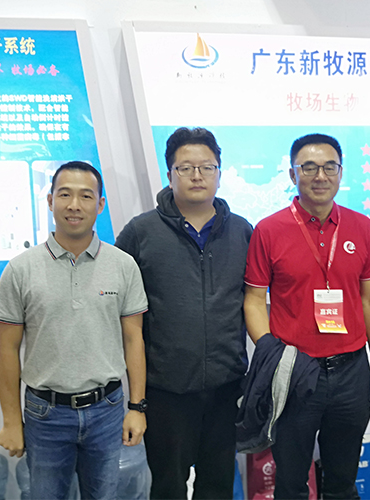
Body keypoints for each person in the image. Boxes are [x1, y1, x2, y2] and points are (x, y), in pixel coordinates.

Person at [0, 161, 148, 500]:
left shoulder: (123, 266)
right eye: (64, 195)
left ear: (100, 205)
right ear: (50, 201)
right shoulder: (21, 269)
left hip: (106, 409)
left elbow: (134, 339)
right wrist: (11, 420)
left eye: (85, 196)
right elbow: (5, 350)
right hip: (45, 414)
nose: (74, 205)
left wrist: (137, 407)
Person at [244, 133, 370, 499]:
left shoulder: (361, 227)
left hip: (351, 369)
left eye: (329, 167)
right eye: (308, 167)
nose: (320, 176)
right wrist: (273, 355)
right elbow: (254, 301)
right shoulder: (268, 230)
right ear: (293, 175)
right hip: (295, 371)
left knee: (342, 480)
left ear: (341, 173)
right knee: (291, 482)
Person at [115, 127, 253, 500]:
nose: (197, 175)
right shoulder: (141, 232)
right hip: (166, 390)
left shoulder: (242, 231)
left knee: (218, 485)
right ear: (170, 174)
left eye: (207, 167)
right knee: (168, 486)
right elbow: (119, 307)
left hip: (226, 387)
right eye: (186, 167)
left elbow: (254, 300)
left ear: (219, 173)